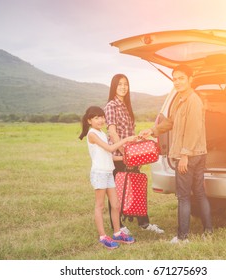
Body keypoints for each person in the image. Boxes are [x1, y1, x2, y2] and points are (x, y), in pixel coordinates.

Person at [139, 64, 213, 243]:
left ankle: (182, 238)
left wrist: (185, 156)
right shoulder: (180, 99)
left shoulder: (193, 101)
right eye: (175, 78)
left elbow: (194, 130)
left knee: (183, 196)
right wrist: (152, 130)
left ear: (190, 79)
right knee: (199, 193)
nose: (177, 82)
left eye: (181, 78)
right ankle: (208, 232)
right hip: (195, 153)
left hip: (189, 154)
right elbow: (171, 122)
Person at [104, 73, 164, 234]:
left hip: (131, 154)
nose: (123, 87)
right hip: (119, 155)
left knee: (136, 186)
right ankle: (118, 226)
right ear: (114, 87)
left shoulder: (126, 105)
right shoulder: (111, 106)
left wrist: (137, 148)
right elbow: (113, 133)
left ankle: (144, 223)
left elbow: (129, 131)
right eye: (119, 84)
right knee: (117, 191)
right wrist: (127, 153)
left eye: (125, 84)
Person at [79, 106, 136, 249]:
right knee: (100, 205)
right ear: (89, 120)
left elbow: (109, 155)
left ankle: (117, 233)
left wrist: (125, 158)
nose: (101, 120)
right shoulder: (92, 134)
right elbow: (110, 148)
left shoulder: (101, 133)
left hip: (108, 172)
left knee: (116, 205)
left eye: (102, 117)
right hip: (99, 173)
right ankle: (103, 237)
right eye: (96, 118)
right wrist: (127, 139)